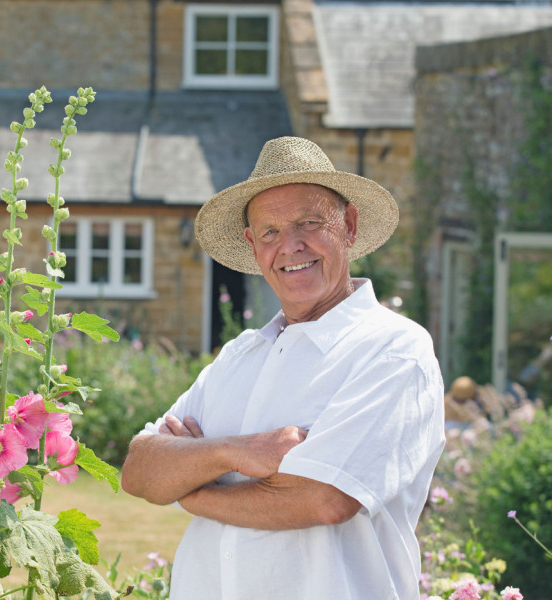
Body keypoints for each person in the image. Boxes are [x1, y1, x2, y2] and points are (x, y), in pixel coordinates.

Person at [121, 136, 445, 599]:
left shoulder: (392, 350)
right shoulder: (239, 355)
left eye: (309, 223)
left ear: (348, 226)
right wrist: (238, 452)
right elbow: (139, 470)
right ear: (253, 246)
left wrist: (193, 489)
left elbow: (325, 499)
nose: (290, 246)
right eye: (270, 232)